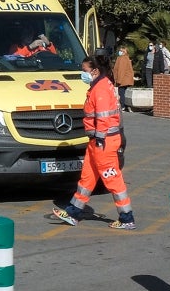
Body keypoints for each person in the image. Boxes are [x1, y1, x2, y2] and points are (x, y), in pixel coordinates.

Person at [52, 53, 136, 230]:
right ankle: (74, 212)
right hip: (98, 142)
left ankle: (126, 218)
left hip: (103, 142)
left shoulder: (101, 89)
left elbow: (103, 117)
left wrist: (99, 139)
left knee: (112, 178)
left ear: (95, 71)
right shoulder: (100, 85)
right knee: (87, 178)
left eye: (85, 70)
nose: (83, 73)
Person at [112, 44, 134, 112]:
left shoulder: (122, 58)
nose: (120, 52)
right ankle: (127, 106)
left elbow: (121, 70)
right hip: (126, 79)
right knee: (124, 93)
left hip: (123, 79)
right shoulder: (126, 58)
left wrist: (119, 80)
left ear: (124, 52)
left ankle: (123, 107)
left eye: (121, 51)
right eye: (119, 50)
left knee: (121, 93)